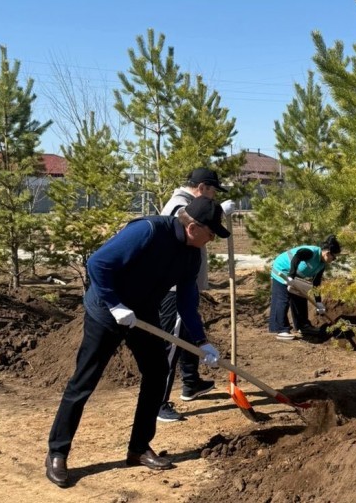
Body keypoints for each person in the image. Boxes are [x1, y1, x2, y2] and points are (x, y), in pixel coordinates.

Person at [45, 196, 230, 488]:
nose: (211, 241)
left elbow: (186, 301)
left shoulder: (191, 255)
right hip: (106, 310)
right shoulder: (148, 231)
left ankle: (138, 447)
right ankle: (58, 452)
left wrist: (202, 341)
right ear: (194, 227)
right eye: (210, 234)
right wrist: (115, 305)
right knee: (84, 381)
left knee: (157, 374)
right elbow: (97, 264)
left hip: (142, 313)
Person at [156, 167, 230, 423]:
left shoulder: (188, 203)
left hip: (186, 284)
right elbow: (185, 230)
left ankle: (191, 382)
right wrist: (218, 215)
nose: (212, 199)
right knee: (172, 340)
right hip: (174, 287)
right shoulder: (179, 206)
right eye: (212, 193)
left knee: (187, 331)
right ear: (201, 188)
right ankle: (158, 401)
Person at [269, 235, 341, 340]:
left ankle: (303, 326)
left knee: (301, 297)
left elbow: (316, 283)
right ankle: (282, 329)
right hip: (282, 269)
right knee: (283, 299)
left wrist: (319, 303)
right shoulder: (310, 252)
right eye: (334, 257)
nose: (334, 259)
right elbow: (297, 257)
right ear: (327, 253)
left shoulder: (321, 264)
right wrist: (291, 276)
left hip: (294, 276)